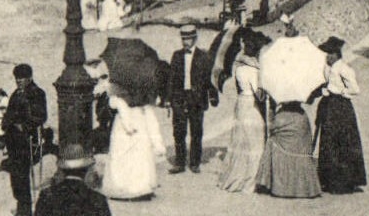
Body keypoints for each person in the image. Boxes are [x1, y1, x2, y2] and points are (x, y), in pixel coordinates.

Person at [315, 38, 367, 194]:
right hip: (329, 106)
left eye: (330, 54)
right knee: (329, 140)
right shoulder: (327, 68)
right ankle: (329, 180)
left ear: (337, 54)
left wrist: (340, 92)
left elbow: (355, 89)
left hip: (342, 107)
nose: (327, 57)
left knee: (343, 140)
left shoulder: (344, 69)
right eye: (326, 54)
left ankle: (346, 181)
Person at [167, 26, 218, 174]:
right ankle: (180, 163)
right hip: (180, 98)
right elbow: (171, 79)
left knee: (196, 131)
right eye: (183, 39)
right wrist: (169, 99)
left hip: (197, 99)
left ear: (194, 39)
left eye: (188, 39)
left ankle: (195, 162)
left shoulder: (204, 56)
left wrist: (213, 96)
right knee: (178, 132)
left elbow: (210, 78)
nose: (185, 42)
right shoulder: (176, 56)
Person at [101, 88, 166, 200]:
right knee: (140, 154)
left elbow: (113, 103)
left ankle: (123, 185)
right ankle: (140, 186)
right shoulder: (145, 86)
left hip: (124, 121)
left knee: (124, 153)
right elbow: (151, 110)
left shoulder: (117, 88)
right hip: (139, 119)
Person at [2, 63, 48, 216]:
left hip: (26, 140)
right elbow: (8, 113)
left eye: (22, 79)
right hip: (13, 140)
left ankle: (26, 209)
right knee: (15, 175)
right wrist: (6, 124)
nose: (19, 82)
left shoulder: (37, 93)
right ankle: (21, 207)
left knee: (21, 174)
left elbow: (41, 116)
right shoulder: (15, 94)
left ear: (30, 78)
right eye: (17, 79)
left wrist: (25, 126)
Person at [217, 53, 265, 193]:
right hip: (251, 105)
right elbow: (259, 96)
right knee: (255, 142)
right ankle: (251, 180)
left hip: (241, 103)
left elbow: (239, 89)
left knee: (241, 139)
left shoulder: (239, 68)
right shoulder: (255, 70)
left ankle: (236, 176)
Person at [256, 99, 322, 200]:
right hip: (301, 150)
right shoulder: (302, 116)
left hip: (283, 144)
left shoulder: (280, 116)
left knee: (271, 141)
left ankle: (272, 182)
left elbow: (271, 129)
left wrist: (271, 110)